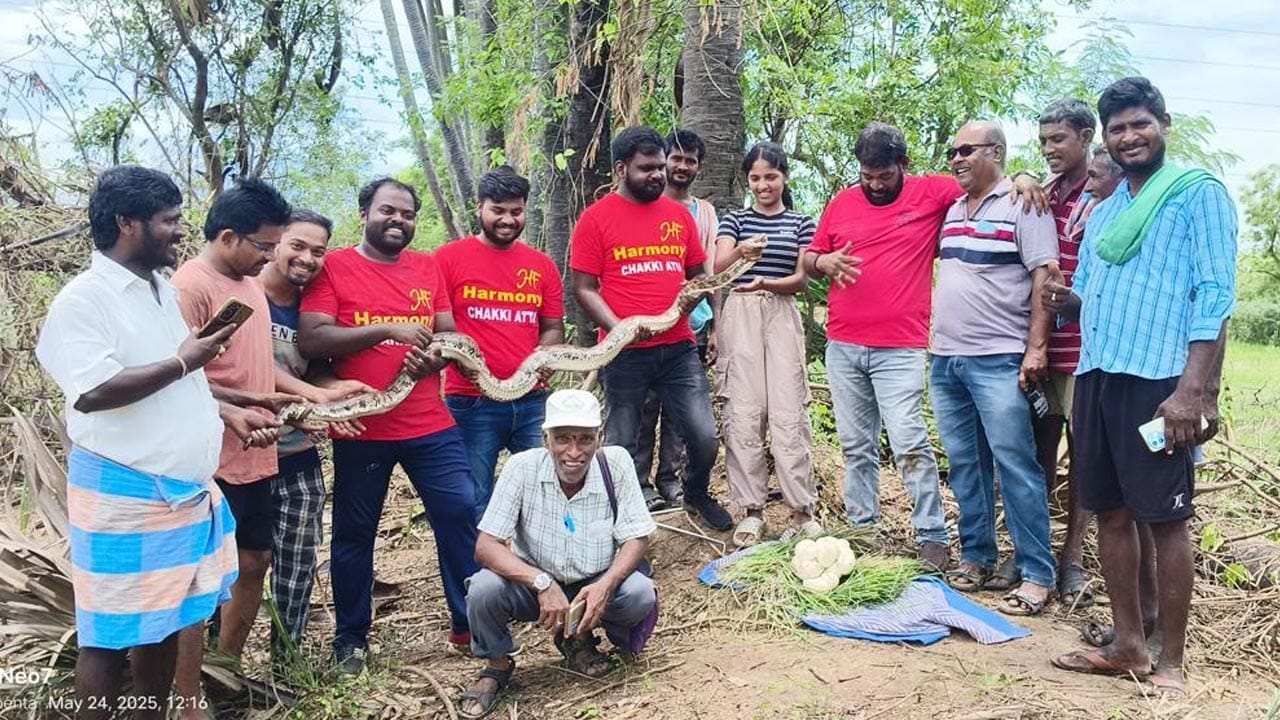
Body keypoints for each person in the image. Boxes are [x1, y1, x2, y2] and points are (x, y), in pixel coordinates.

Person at [36, 166, 281, 720]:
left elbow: (176, 386)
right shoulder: (84, 301)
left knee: (166, 624)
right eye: (169, 220)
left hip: (182, 494)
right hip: (126, 494)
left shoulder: (158, 292)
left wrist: (227, 412)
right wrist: (182, 359)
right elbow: (94, 390)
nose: (179, 229)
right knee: (107, 636)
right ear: (128, 223)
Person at [1047, 77, 1235, 696]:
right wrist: (1070, 303)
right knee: (1111, 512)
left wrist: (1192, 392)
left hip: (1159, 382)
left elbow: (1213, 296)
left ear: (1163, 123)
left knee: (1166, 518)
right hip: (1100, 375)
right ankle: (1129, 645)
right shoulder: (1107, 210)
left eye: (1139, 124)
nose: (1129, 137)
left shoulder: (1195, 194)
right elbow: (1100, 293)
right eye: (1118, 128)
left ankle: (1173, 660)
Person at [803, 123, 1050, 571]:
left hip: (902, 347)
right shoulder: (841, 202)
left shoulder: (933, 194)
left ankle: (932, 536)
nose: (875, 185)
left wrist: (1025, 176)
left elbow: (989, 179)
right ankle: (864, 529)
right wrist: (823, 260)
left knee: (910, 441)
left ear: (904, 166)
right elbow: (809, 258)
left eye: (884, 175)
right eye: (867, 176)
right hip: (844, 345)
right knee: (856, 446)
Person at [298, 177, 479, 673]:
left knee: (460, 511)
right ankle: (351, 639)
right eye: (388, 211)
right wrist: (388, 329)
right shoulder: (333, 266)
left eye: (407, 213)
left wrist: (434, 361)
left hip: (429, 422)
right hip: (362, 428)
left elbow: (447, 334)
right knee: (355, 533)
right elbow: (313, 339)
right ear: (364, 213)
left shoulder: (428, 266)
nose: (398, 220)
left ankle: (471, 623)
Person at [170, 177, 300, 715]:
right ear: (228, 236)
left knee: (254, 560)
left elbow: (258, 367)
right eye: (264, 247)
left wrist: (313, 394)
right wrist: (239, 407)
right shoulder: (190, 287)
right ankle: (187, 692)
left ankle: (224, 672)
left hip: (257, 456)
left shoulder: (250, 286)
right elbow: (176, 376)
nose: (269, 258)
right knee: (198, 581)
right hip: (209, 461)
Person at [570, 126, 733, 531]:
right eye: (647, 169)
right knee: (621, 443)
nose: (658, 175)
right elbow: (583, 289)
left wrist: (694, 308)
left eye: (661, 166)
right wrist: (619, 327)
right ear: (622, 168)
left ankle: (695, 492)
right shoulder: (595, 219)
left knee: (704, 436)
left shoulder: (678, 216)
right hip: (623, 352)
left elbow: (699, 275)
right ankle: (618, 514)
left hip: (677, 346)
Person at [458, 390, 657, 719]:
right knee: (483, 589)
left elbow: (637, 537)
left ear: (600, 437)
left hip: (592, 581)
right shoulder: (522, 468)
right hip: (533, 586)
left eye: (585, 439)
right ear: (545, 438)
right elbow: (486, 545)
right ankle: (497, 665)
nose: (574, 452)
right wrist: (541, 582)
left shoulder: (616, 463)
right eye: (563, 439)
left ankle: (580, 639)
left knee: (639, 593)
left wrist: (606, 585)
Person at [929, 121, 1059, 616]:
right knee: (965, 466)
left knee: (1016, 466)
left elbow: (1045, 278)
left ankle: (1036, 574)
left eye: (966, 150)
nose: (956, 158)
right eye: (951, 151)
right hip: (946, 359)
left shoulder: (1024, 203)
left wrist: (1036, 349)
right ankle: (977, 556)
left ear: (997, 152)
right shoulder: (955, 209)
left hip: (999, 358)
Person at [259, 208, 373, 667]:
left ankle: (285, 662)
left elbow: (318, 367)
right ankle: (215, 663)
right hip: (240, 454)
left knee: (297, 564)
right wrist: (311, 399)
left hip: (298, 453)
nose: (307, 258)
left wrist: (334, 393)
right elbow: (232, 373)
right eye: (297, 246)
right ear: (274, 244)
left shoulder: (313, 304)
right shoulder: (244, 293)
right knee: (236, 566)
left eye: (318, 251)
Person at [435, 167, 565, 520]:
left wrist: (547, 352)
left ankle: (540, 568)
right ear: (480, 207)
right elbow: (436, 327)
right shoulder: (447, 259)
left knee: (548, 486)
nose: (508, 219)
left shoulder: (541, 266)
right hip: (471, 401)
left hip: (532, 398)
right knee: (473, 495)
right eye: (499, 210)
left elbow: (553, 327)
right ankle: (481, 572)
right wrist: (456, 355)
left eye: (516, 211)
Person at [714, 141, 818, 546]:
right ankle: (752, 510)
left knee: (789, 412)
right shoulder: (734, 220)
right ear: (747, 180)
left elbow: (802, 278)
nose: (763, 185)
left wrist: (767, 282)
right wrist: (742, 251)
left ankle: (801, 511)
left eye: (771, 177)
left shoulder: (801, 223)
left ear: (785, 177)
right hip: (739, 314)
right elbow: (718, 268)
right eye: (755, 178)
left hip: (781, 312)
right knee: (744, 412)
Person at [633, 129, 720, 509]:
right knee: (641, 409)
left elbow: (710, 271)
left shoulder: (705, 212)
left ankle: (671, 481)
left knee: (680, 414)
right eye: (676, 158)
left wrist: (715, 324)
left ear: (699, 166)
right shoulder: (641, 205)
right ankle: (639, 483)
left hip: (692, 326)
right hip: (643, 328)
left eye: (691, 160)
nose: (682, 166)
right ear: (663, 160)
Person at [1034, 98, 1095, 608]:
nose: (1051, 149)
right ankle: (1036, 553)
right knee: (1038, 449)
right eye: (1044, 141)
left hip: (1085, 347)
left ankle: (1072, 560)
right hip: (1041, 344)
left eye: (1059, 139)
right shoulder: (1043, 192)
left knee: (1084, 455)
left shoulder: (1104, 194)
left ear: (1085, 137)